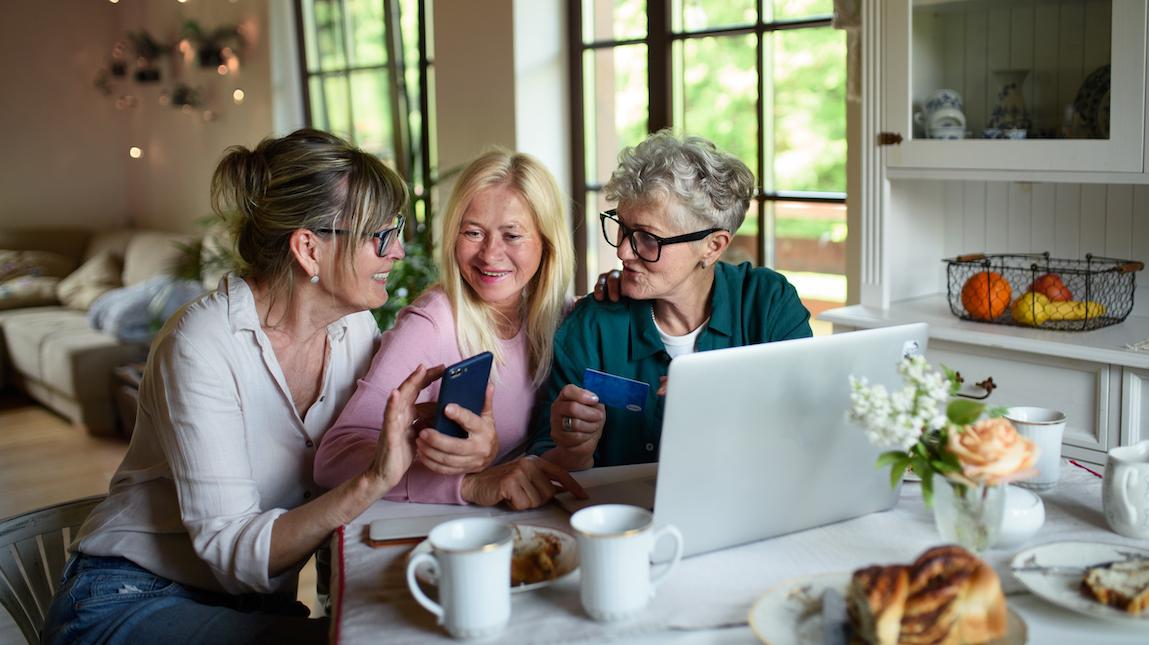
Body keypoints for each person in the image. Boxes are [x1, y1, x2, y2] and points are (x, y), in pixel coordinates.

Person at [42, 129, 472, 644]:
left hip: (251, 605)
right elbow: (231, 555)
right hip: (130, 598)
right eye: (380, 235)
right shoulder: (201, 344)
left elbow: (379, 443)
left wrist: (447, 431)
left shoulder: (353, 328)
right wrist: (371, 480)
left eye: (395, 230)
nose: (398, 251)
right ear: (308, 249)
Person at [315, 149, 585, 511]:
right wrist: (467, 483)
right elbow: (332, 458)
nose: (490, 255)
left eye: (512, 236)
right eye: (473, 233)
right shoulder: (431, 324)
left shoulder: (558, 317)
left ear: (547, 243)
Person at [529, 130, 813, 470]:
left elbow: (809, 426)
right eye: (622, 227)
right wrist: (573, 450)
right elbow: (548, 459)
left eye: (648, 238)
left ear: (713, 246)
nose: (622, 251)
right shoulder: (592, 325)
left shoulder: (768, 305)